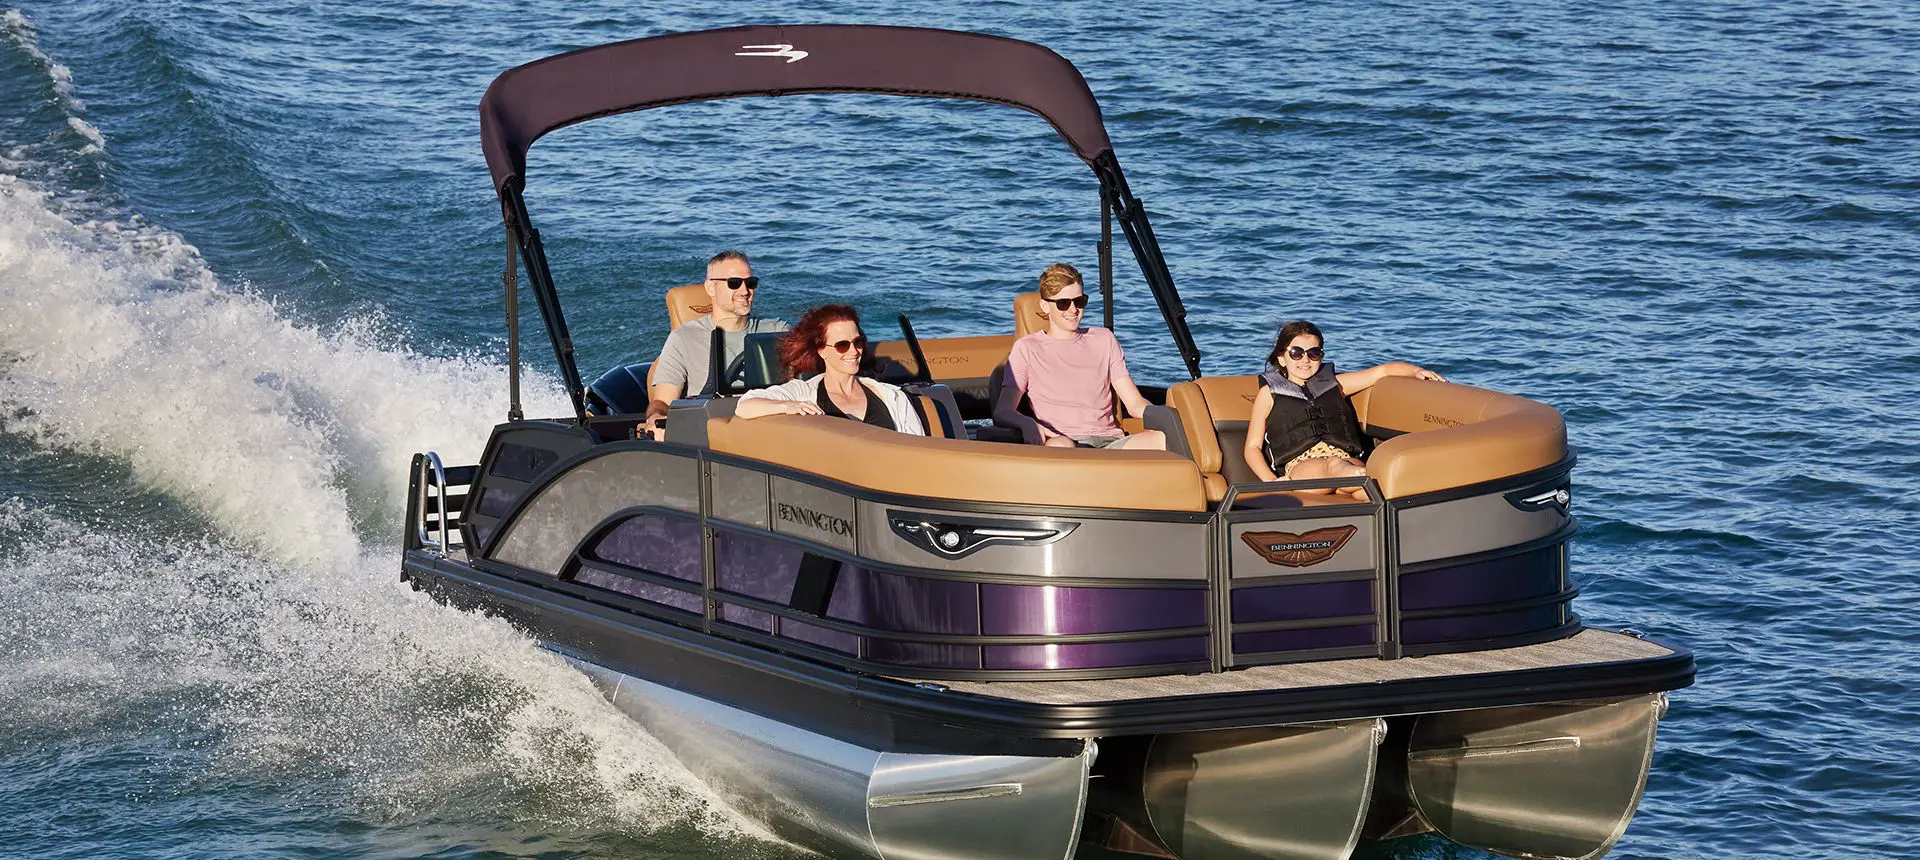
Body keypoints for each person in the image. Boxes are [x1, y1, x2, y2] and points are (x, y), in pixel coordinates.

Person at [1243, 319, 1445, 496]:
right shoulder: (1268, 395)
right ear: (1281, 357)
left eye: (1313, 353)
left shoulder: (1337, 385)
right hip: (1303, 468)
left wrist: (1417, 371)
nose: (1305, 360)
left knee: (1370, 489)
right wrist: (1272, 482)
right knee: (1338, 468)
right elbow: (1252, 448)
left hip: (1346, 460)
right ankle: (1362, 478)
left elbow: (1381, 372)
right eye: (1297, 353)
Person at [995, 263, 1165, 450]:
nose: (1073, 309)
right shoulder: (1027, 348)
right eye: (1063, 303)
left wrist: (1163, 416)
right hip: (1064, 442)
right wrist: (1028, 423)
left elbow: (1134, 402)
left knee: (1165, 438)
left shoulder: (1104, 339)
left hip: (1111, 444)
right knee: (1063, 445)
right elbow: (1003, 411)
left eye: (1079, 301)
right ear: (1045, 306)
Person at [643, 250, 790, 431]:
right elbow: (662, 402)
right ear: (711, 288)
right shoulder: (684, 338)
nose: (744, 291)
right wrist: (657, 417)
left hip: (772, 427)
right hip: (711, 431)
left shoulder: (778, 331)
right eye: (734, 283)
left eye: (751, 283)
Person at [734, 305, 928, 435]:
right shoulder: (803, 393)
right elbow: (745, 405)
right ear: (821, 350)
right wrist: (788, 406)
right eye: (842, 345)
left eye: (858, 342)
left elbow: (917, 449)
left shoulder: (892, 397)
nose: (854, 351)